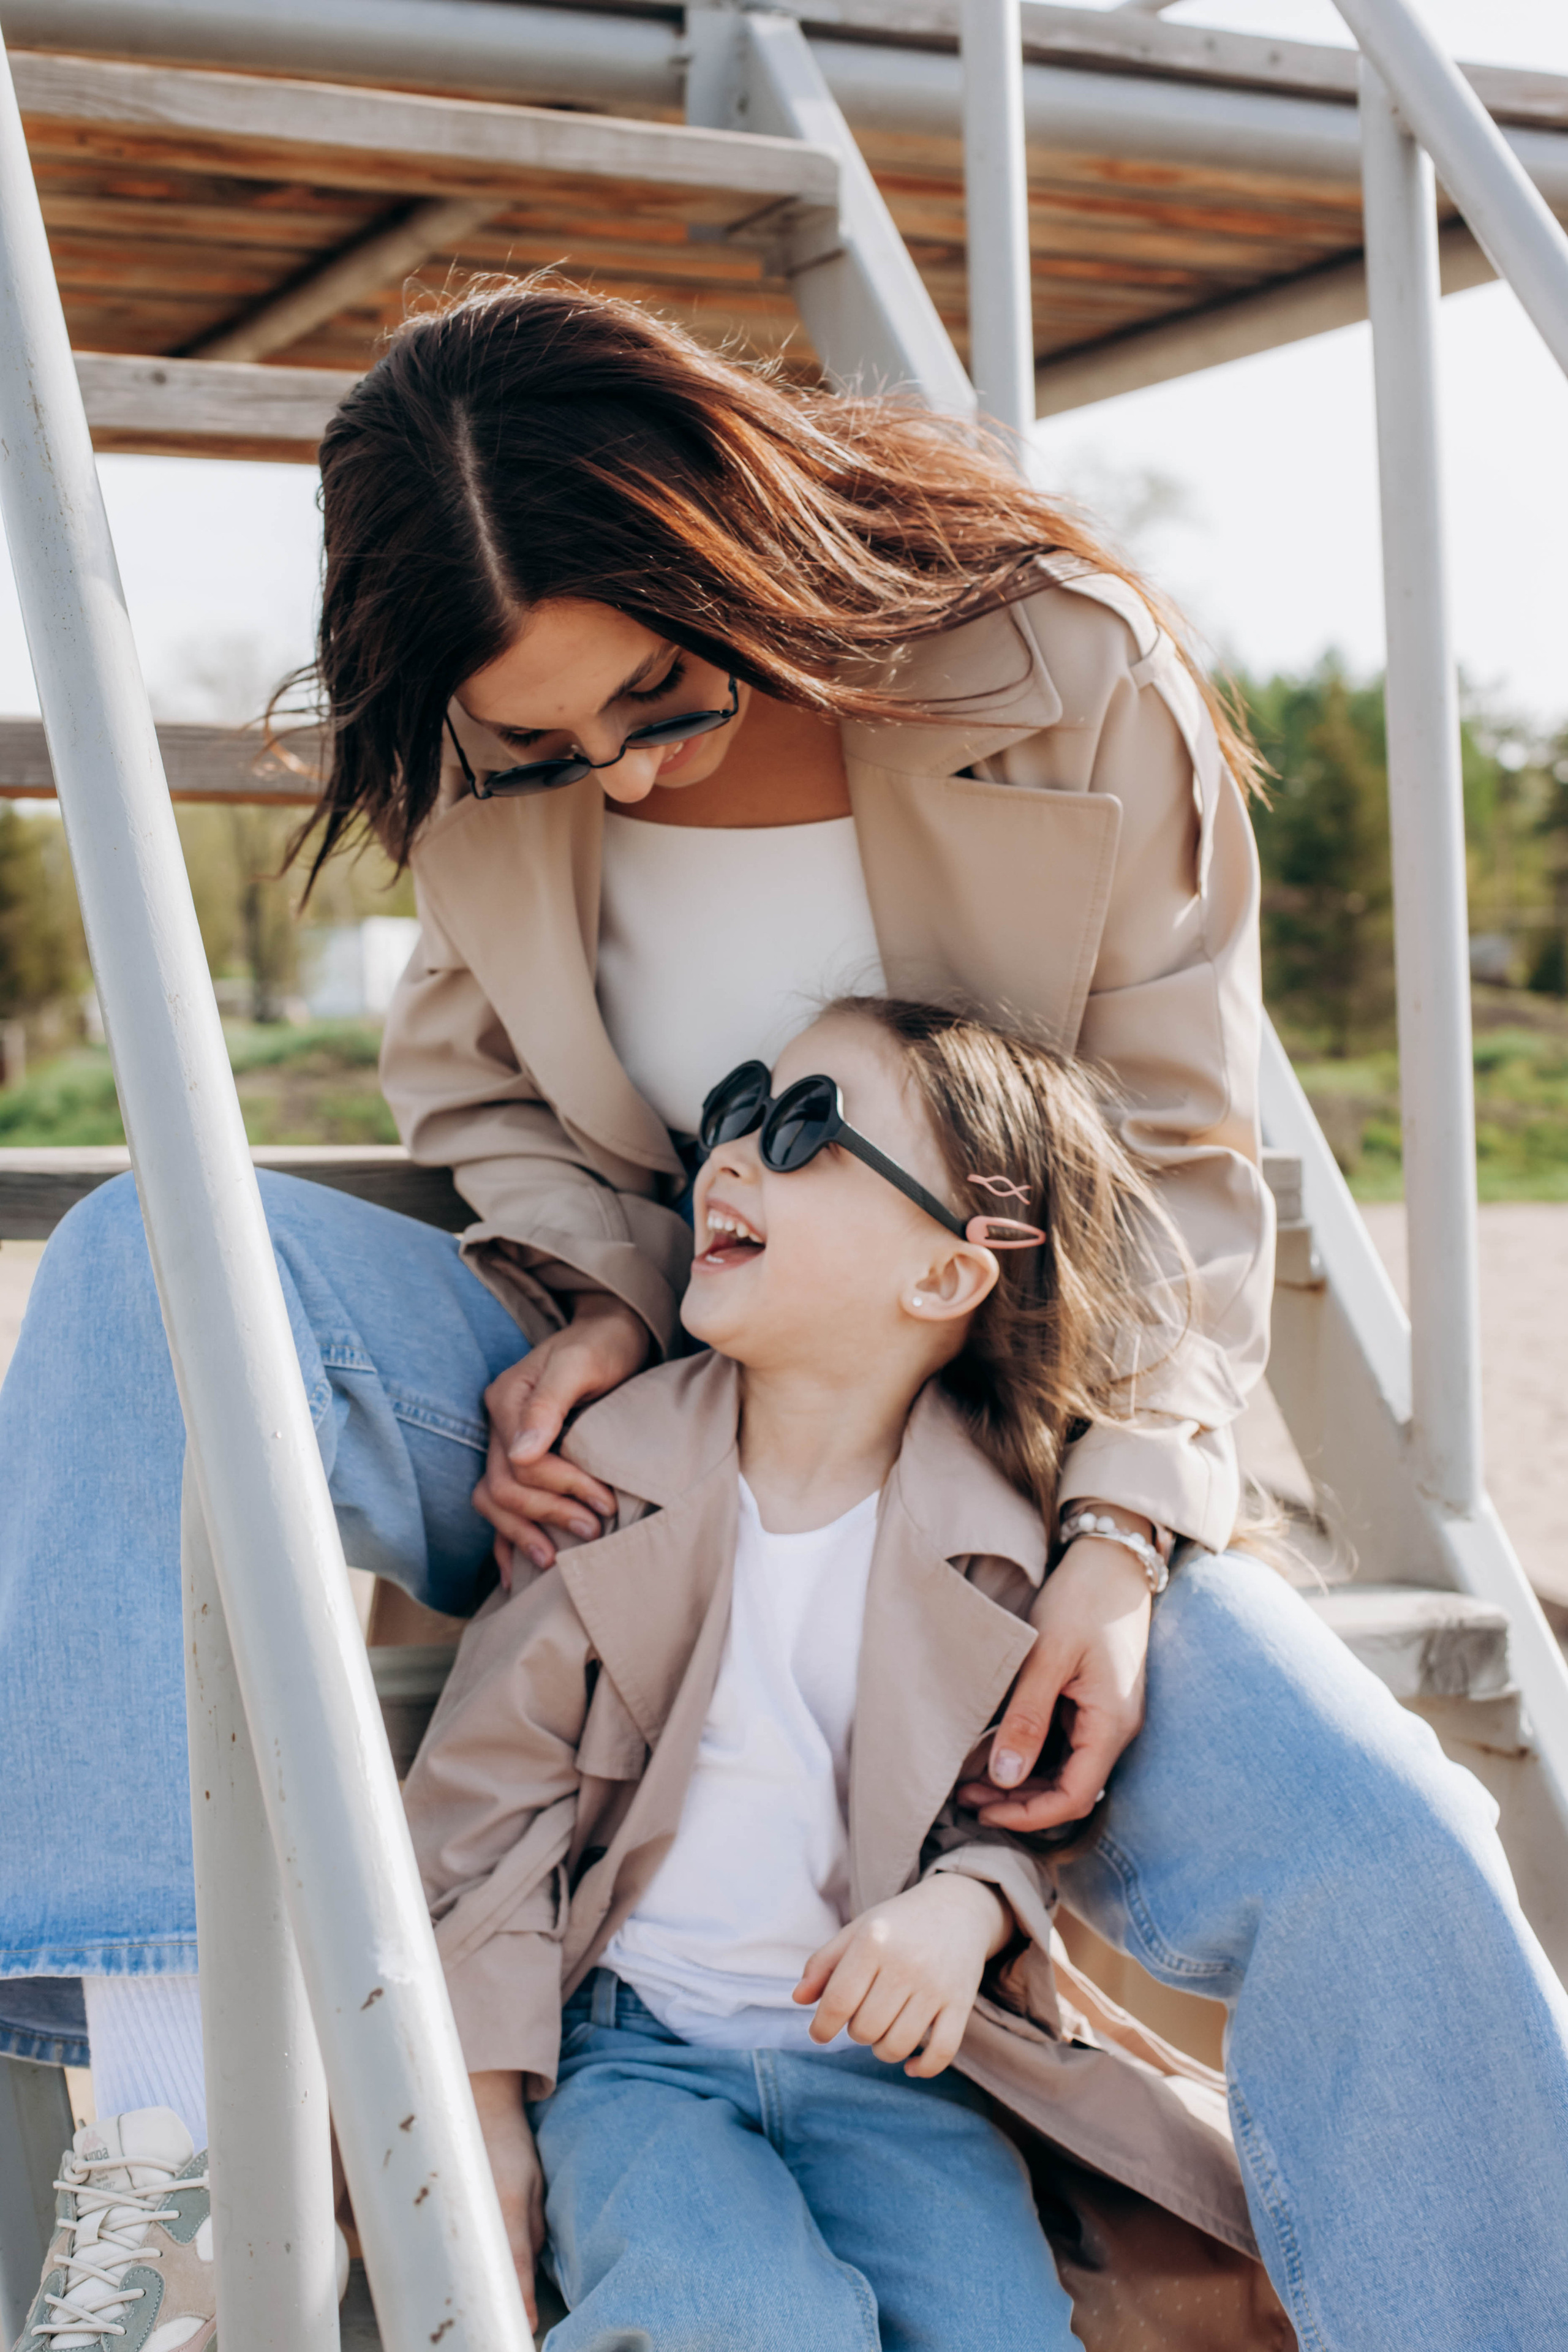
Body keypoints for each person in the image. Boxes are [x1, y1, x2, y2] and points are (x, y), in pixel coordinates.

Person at [1, 277, 1566, 2349]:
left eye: (662, 699)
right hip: (642, 1400)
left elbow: (1177, 1175)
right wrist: (587, 1295)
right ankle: (151, 2178)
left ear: (747, 548)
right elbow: (473, 1074)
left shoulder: (1064, 674)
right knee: (141, 1262)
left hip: (1005, 1445)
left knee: (1388, 1849)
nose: (619, 783)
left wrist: (1116, 1537)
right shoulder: (500, 758)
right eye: (543, 746)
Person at [405, 999, 1275, 2349]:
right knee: (745, 2319)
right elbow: (483, 1811)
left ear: (941, 1280)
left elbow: (1016, 1812)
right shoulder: (606, 1485)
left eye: (806, 1130)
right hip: (636, 2058)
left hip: (897, 2073)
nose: (735, 1157)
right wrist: (481, 2109)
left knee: (996, 2330)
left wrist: (964, 1909)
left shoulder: (994, 1550)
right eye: (741, 1107)